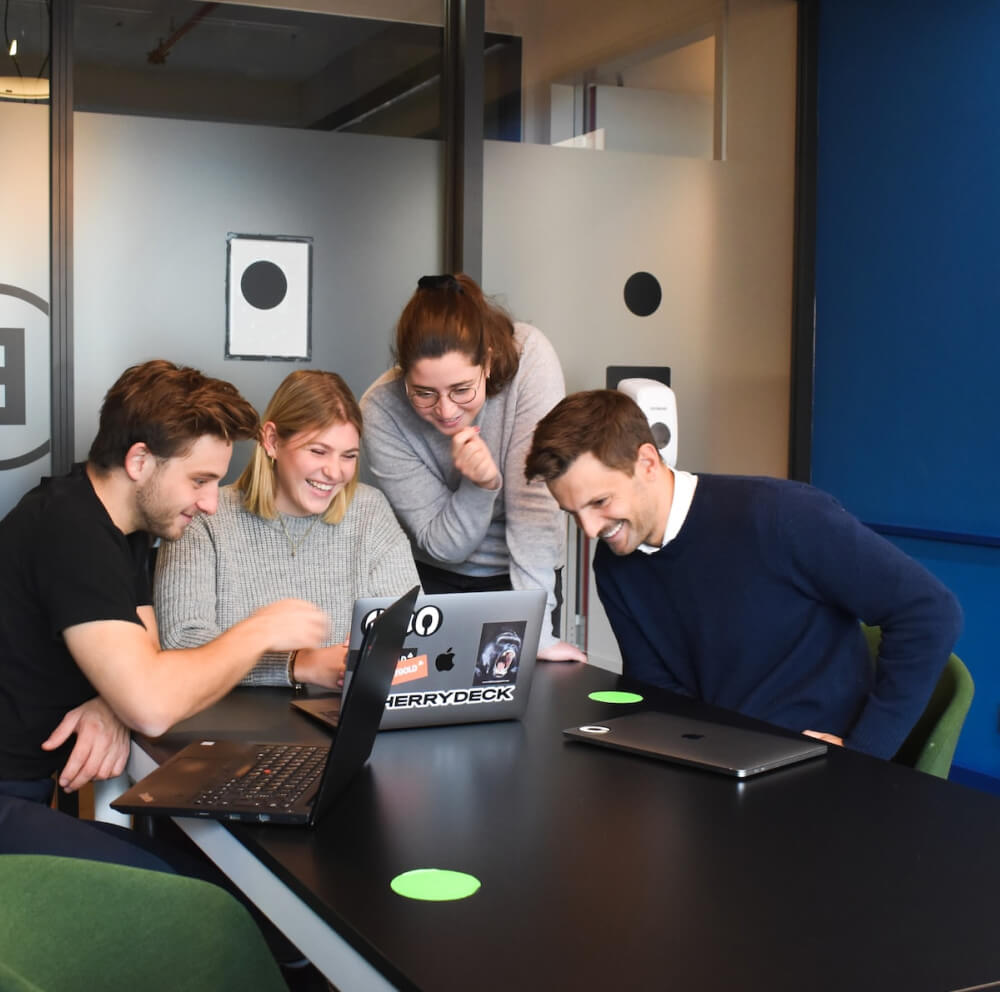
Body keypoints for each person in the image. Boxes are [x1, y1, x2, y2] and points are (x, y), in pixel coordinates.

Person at [0, 360, 329, 867]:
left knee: (207, 873)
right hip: (8, 797)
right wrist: (261, 630)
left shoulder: (120, 527)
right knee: (199, 889)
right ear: (139, 461)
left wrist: (112, 699)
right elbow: (152, 704)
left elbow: (145, 654)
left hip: (26, 790)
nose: (210, 503)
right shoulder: (69, 529)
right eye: (199, 480)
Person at [524, 389, 964, 760]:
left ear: (648, 463)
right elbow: (660, 696)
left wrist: (865, 753)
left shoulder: (781, 516)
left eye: (599, 502)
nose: (589, 529)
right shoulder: (616, 565)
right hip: (722, 767)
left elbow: (929, 612)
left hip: (820, 773)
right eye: (572, 513)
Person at [360, 273, 582, 660]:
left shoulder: (530, 358)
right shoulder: (381, 411)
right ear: (403, 374)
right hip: (434, 580)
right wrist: (480, 485)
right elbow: (445, 545)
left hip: (529, 580)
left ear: (490, 360)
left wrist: (538, 633)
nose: (445, 411)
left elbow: (535, 510)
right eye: (424, 393)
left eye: (462, 390)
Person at [155, 369, 420, 688]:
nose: (334, 472)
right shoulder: (203, 516)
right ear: (271, 440)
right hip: (229, 720)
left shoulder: (370, 512)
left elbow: (416, 635)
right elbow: (181, 645)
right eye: (318, 451)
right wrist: (296, 664)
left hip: (338, 715)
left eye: (348, 456)